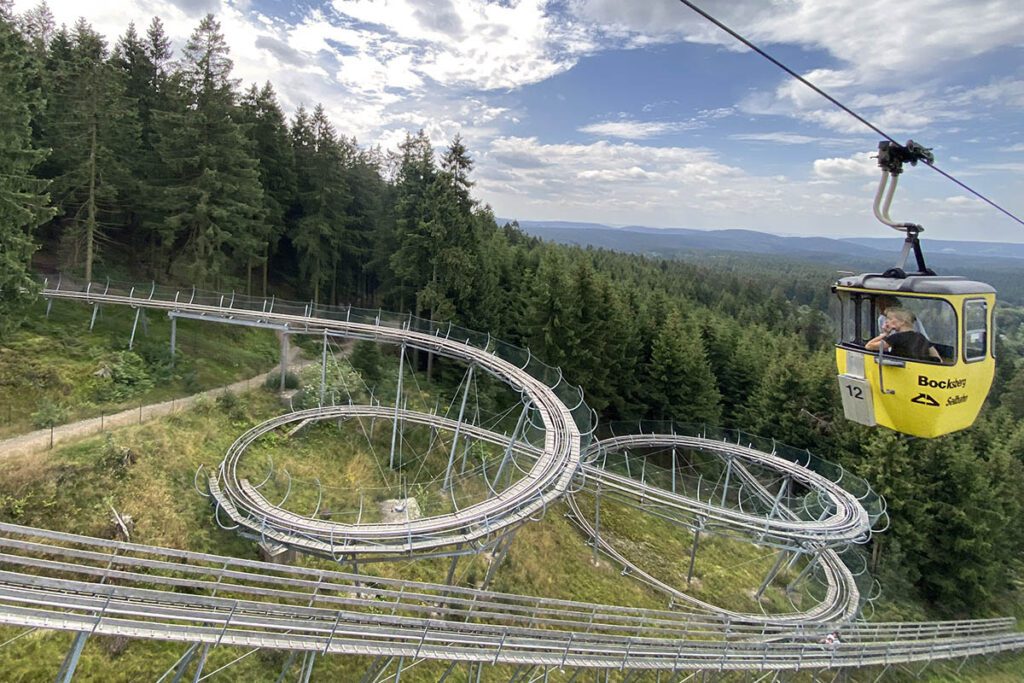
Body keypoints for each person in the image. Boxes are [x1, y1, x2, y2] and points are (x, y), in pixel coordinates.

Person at [866, 308, 941, 362]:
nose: (886, 321)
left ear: (902, 322)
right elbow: (937, 357)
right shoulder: (921, 336)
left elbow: (869, 346)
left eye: (889, 319)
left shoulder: (896, 337)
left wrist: (885, 334)